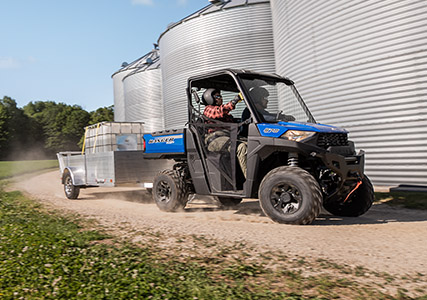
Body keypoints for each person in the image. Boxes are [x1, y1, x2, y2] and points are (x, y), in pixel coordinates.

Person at [202, 88, 247, 178]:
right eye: (217, 96)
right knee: (241, 147)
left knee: (251, 144)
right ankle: (250, 181)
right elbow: (219, 112)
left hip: (227, 137)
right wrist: (235, 100)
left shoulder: (227, 115)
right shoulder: (209, 109)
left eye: (221, 96)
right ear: (210, 99)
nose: (221, 98)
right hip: (215, 139)